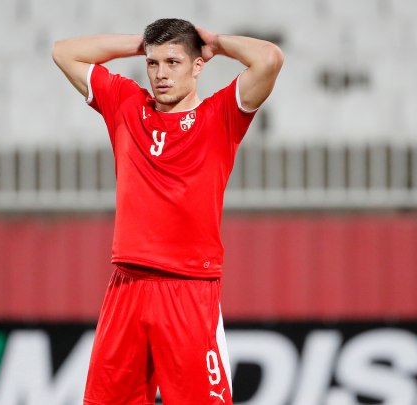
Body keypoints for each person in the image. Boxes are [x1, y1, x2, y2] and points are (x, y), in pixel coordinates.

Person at [53, 18, 282, 404]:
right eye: (153, 63)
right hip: (127, 284)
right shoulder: (126, 104)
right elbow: (64, 52)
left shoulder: (220, 116)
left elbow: (269, 59)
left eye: (173, 62)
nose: (160, 74)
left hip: (188, 288)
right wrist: (140, 43)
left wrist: (215, 42)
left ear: (197, 65)